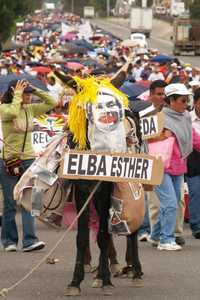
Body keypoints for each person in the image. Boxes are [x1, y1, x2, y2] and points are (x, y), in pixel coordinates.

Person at [0, 79, 56, 252]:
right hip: (9, 159)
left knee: (31, 200)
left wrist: (35, 89)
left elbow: (52, 102)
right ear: (15, 93)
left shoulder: (31, 109)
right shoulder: (4, 108)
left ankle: (30, 240)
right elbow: (11, 112)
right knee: (10, 203)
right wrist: (18, 94)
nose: (29, 97)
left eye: (29, 94)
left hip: (29, 159)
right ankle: (9, 241)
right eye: (27, 94)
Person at [150, 83, 200, 251]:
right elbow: (145, 139)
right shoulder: (159, 117)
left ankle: (155, 235)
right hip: (160, 167)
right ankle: (165, 240)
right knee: (170, 204)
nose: (186, 104)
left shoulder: (185, 116)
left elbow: (193, 139)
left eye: (187, 100)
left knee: (174, 204)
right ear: (171, 101)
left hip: (179, 167)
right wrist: (162, 135)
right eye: (183, 100)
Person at [185, 88, 200, 239]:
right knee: (195, 192)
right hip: (193, 159)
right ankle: (196, 226)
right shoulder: (187, 118)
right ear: (195, 103)